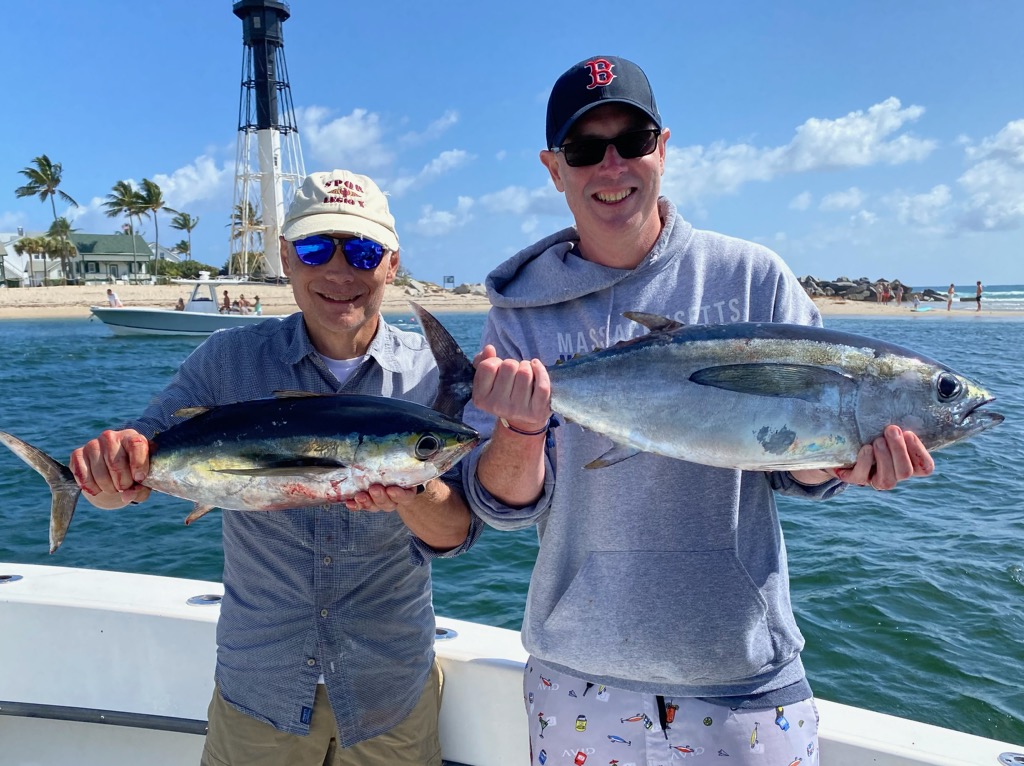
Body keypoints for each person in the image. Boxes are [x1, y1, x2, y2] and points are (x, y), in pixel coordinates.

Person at [461, 55, 936, 766]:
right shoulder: (522, 309)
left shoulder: (752, 277)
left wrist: (840, 460)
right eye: (586, 149)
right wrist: (522, 428)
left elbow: (793, 471)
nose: (611, 165)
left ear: (665, 148)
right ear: (554, 168)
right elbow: (504, 506)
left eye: (634, 141)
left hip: (742, 677)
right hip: (577, 677)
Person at [68, 169, 481, 766]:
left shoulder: (434, 380)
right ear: (286, 257)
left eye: (362, 251)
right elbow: (127, 484)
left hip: (388, 693)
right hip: (258, 690)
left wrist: (410, 494)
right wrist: (102, 474)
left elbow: (458, 534)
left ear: (391, 263)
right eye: (316, 248)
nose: (340, 272)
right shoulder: (227, 362)